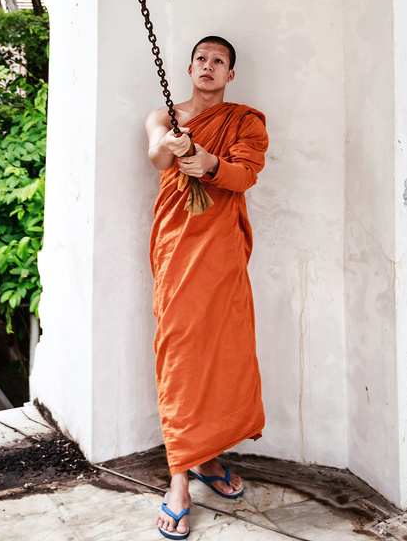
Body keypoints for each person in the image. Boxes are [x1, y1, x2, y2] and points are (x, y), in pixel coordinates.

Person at [146, 35, 269, 538]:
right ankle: (179, 482)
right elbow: (157, 156)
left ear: (230, 74)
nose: (209, 66)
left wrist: (210, 165)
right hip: (177, 250)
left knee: (220, 352)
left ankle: (205, 457)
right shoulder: (165, 116)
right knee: (181, 353)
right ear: (189, 67)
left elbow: (245, 175)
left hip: (220, 254)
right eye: (201, 58)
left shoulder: (246, 121)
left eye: (219, 61)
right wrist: (176, 149)